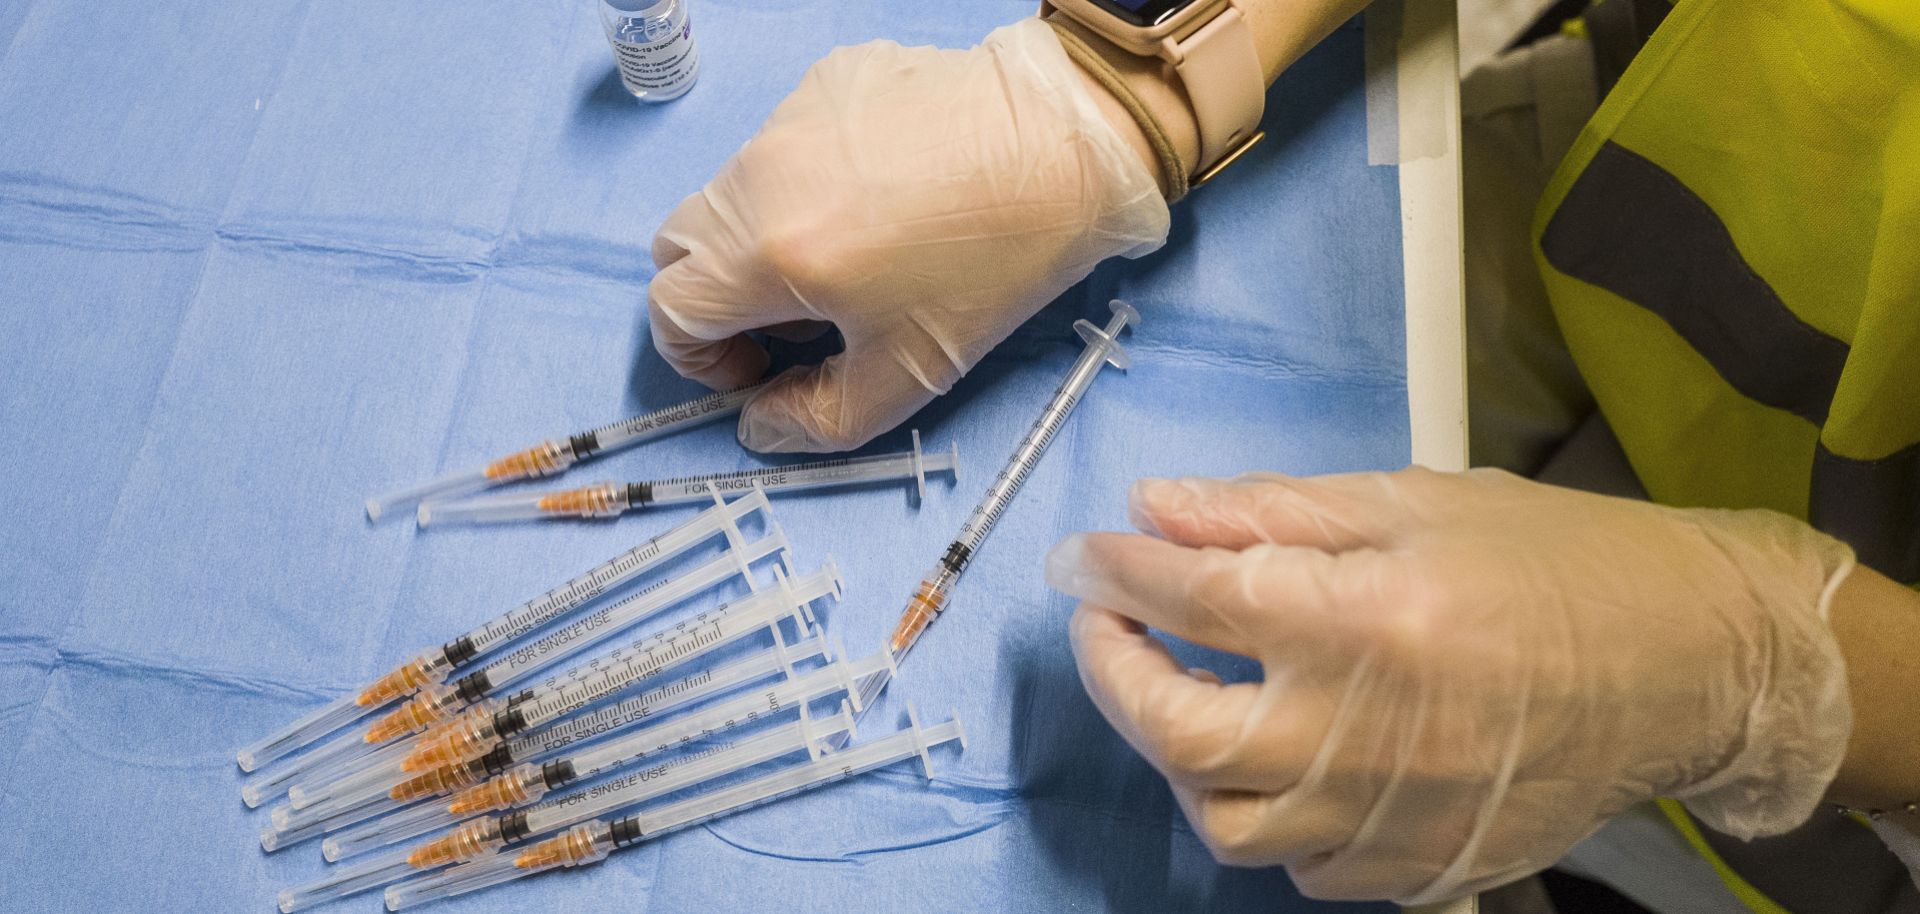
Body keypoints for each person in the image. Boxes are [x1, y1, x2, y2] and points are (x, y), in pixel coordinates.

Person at [644, 0, 1920, 910]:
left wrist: (1752, 672)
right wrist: (1143, 87)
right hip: (1638, 175)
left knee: (1502, 820)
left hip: (1850, 781)